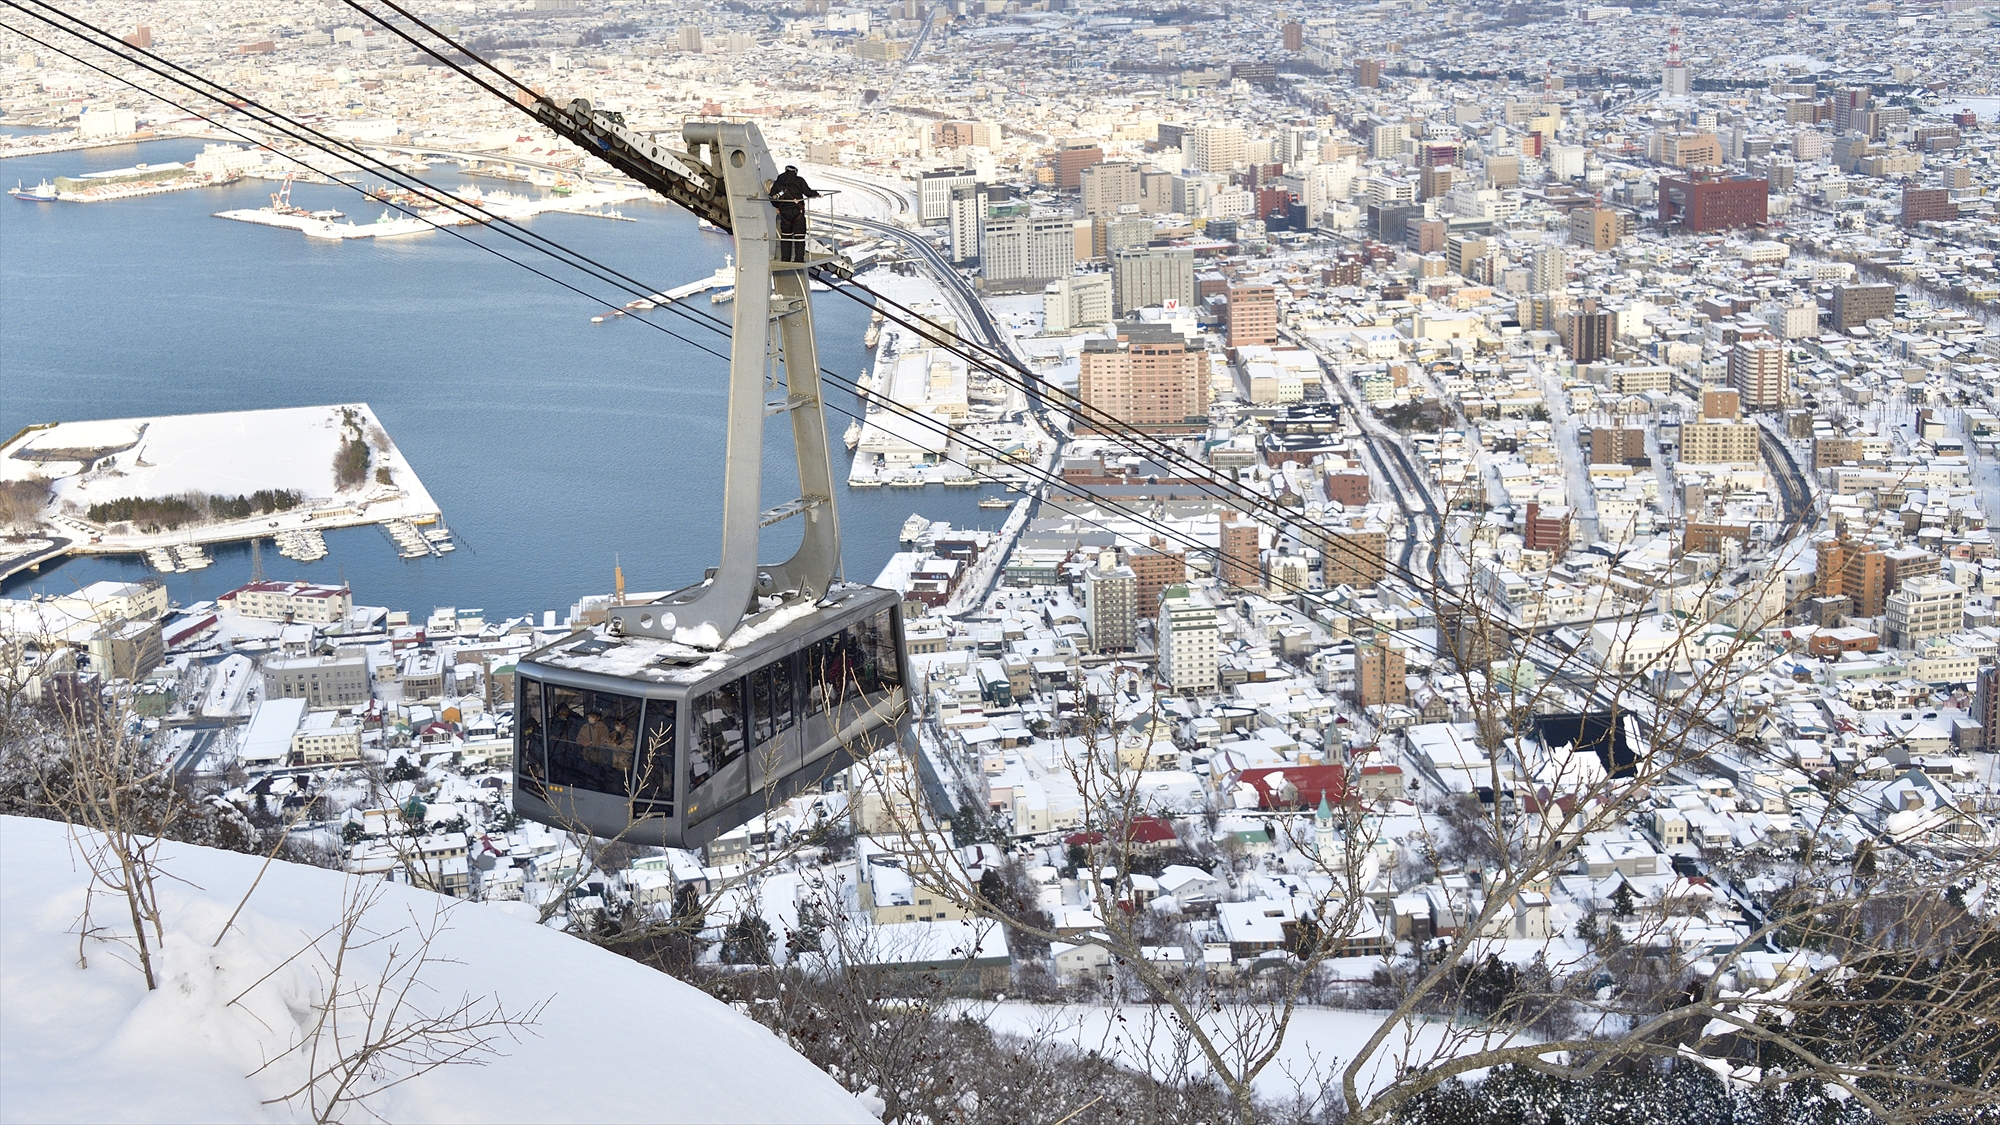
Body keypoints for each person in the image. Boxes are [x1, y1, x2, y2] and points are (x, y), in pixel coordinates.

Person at [769, 165, 820, 263]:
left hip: (784, 213)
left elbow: (772, 196)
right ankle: (799, 259)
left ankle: (785, 259)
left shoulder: (779, 181)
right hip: (798, 212)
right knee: (799, 237)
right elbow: (808, 192)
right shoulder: (799, 180)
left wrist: (778, 207)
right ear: (795, 172)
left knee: (786, 237)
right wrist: (816, 194)